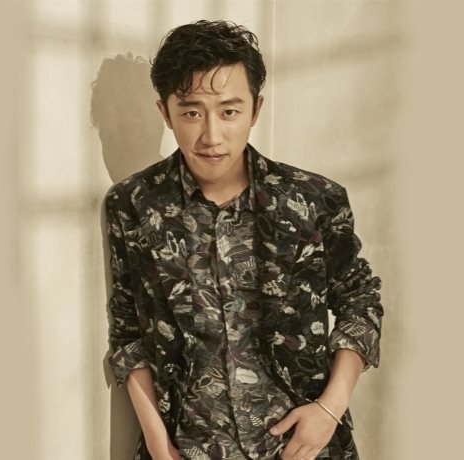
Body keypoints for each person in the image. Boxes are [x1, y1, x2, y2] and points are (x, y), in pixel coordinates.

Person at [103, 20, 383, 460]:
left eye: (229, 112)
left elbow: (360, 301)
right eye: (191, 113)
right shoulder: (134, 203)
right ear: (165, 113)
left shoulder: (313, 199)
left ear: (255, 109)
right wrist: (156, 441)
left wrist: (330, 408)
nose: (211, 136)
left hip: (300, 447)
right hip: (187, 447)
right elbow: (128, 331)